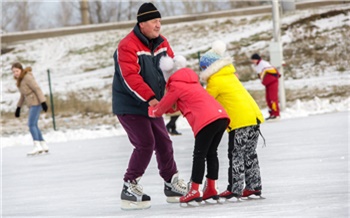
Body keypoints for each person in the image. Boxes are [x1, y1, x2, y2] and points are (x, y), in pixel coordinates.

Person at [112, 2, 187, 210]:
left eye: (160, 21)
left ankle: (171, 183)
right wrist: (152, 98)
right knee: (145, 143)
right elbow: (130, 78)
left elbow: (171, 72)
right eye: (154, 21)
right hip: (130, 104)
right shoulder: (127, 45)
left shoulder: (162, 43)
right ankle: (129, 185)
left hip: (153, 103)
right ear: (142, 23)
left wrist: (174, 97)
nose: (158, 25)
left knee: (163, 141)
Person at [149, 55, 230, 203]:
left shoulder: (176, 85)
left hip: (206, 120)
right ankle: (211, 188)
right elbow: (177, 105)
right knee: (211, 153)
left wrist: (151, 111)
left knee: (199, 155)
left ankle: (194, 190)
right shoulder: (193, 83)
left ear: (168, 75)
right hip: (221, 117)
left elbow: (160, 108)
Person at [199, 41, 265, 199]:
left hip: (240, 122)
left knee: (236, 154)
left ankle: (234, 188)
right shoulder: (230, 76)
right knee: (250, 154)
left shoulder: (215, 81)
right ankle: (254, 186)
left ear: (208, 68)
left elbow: (205, 101)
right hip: (254, 118)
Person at [12, 62, 49, 155]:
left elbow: (37, 88)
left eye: (17, 71)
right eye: (13, 72)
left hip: (36, 102)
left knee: (31, 124)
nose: (15, 73)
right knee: (34, 125)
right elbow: (22, 95)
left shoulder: (27, 77)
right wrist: (18, 108)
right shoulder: (20, 80)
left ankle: (37, 145)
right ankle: (43, 145)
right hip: (31, 103)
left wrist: (43, 102)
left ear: (21, 70)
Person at [251, 53, 281, 120]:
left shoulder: (263, 64)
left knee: (273, 98)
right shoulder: (258, 65)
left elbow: (274, 71)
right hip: (267, 84)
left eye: (253, 60)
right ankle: (271, 114)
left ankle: (276, 114)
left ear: (256, 59)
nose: (252, 61)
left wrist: (276, 77)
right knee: (268, 99)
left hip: (272, 83)